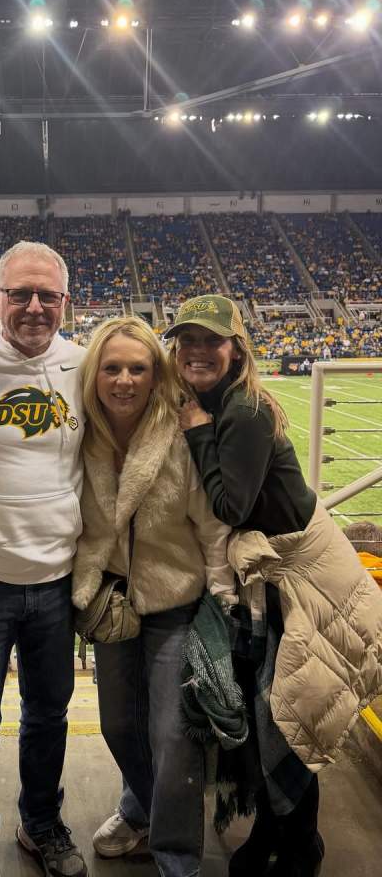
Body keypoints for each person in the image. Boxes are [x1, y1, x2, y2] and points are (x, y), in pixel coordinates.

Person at [165, 293, 382, 877]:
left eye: (211, 340)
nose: (197, 350)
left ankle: (301, 845)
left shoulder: (244, 410)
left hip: (302, 577)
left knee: (288, 714)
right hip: (279, 575)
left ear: (237, 349)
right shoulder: (223, 402)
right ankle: (272, 829)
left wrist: (196, 433)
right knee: (272, 715)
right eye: (187, 340)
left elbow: (232, 506)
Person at [72, 315, 237, 877]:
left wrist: (224, 601)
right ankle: (143, 807)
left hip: (176, 600)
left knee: (173, 736)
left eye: (138, 369)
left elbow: (212, 527)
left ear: (155, 374)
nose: (124, 381)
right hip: (110, 601)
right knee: (118, 725)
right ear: (94, 374)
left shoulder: (181, 433)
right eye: (112, 368)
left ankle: (176, 858)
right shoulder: (79, 433)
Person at [0, 240, 88, 877]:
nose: (34, 307)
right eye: (20, 294)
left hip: (58, 578)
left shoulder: (82, 363)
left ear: (66, 301)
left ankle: (41, 823)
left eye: (47, 295)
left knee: (49, 716)